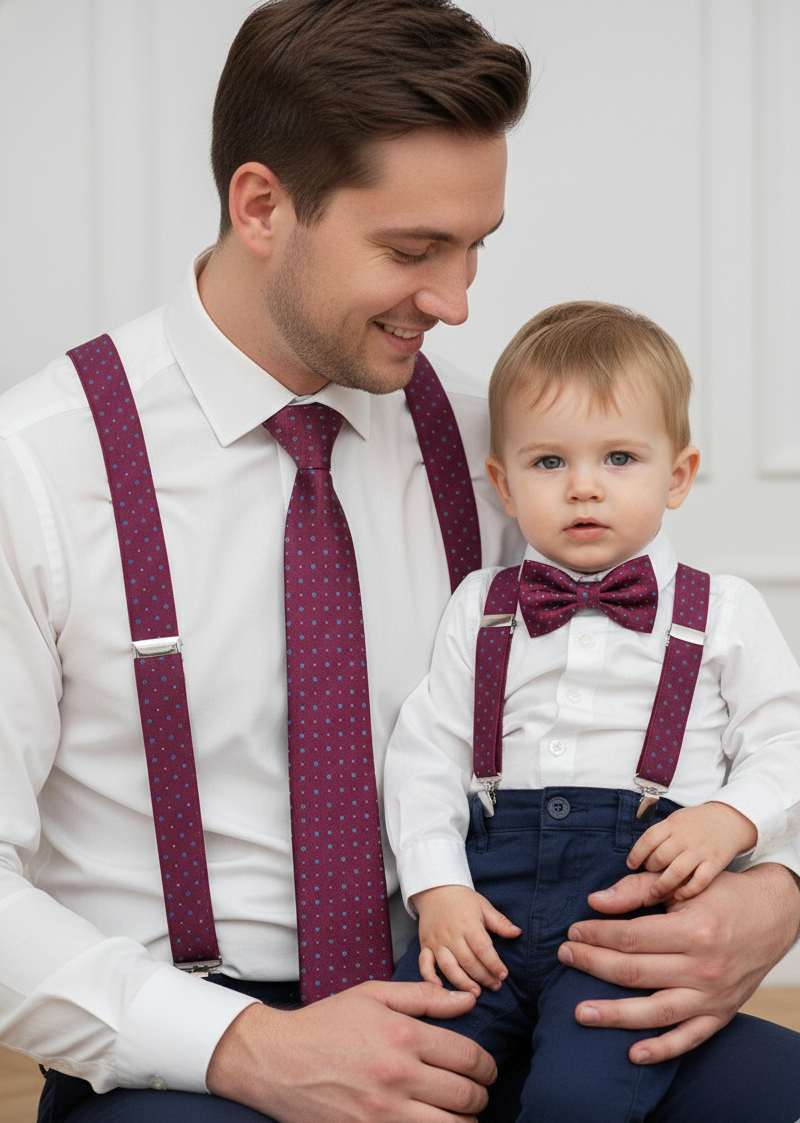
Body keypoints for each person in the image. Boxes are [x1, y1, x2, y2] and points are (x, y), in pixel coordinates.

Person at [0, 1, 797, 1121]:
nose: (457, 301)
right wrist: (244, 1047)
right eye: (413, 250)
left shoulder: (498, 450)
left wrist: (777, 896)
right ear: (263, 205)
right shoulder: (34, 469)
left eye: (476, 247)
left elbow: (705, 688)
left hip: (492, 982)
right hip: (199, 1048)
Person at [388, 300, 800, 1120]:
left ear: (676, 475)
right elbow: (426, 753)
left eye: (619, 457)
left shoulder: (725, 611)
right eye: (548, 461)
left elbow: (787, 740)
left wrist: (730, 817)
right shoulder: (482, 606)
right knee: (403, 1065)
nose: (583, 486)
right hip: (485, 910)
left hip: (631, 915)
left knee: (581, 1095)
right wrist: (437, 887)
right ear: (502, 482)